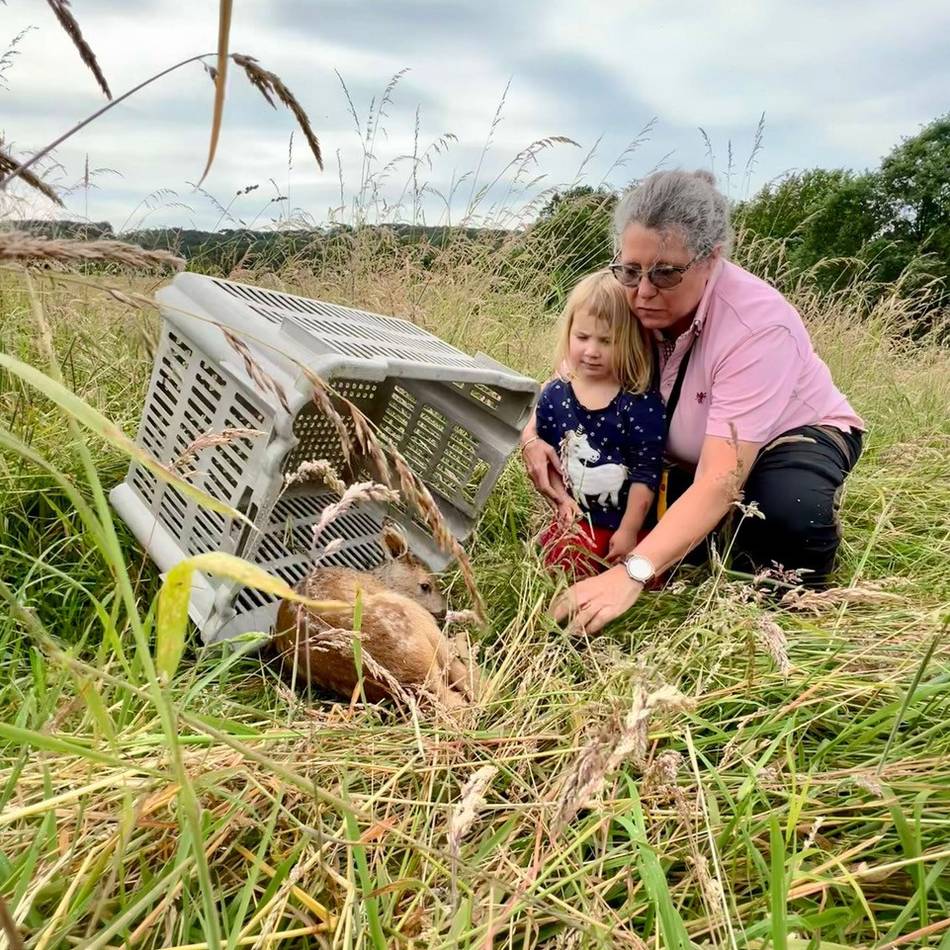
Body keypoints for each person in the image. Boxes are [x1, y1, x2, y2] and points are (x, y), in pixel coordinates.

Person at [520, 169, 865, 634]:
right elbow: (570, 378)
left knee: (787, 516)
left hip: (788, 436)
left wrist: (632, 574)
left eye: (665, 273)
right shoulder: (627, 293)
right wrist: (532, 438)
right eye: (630, 270)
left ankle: (796, 586)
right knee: (642, 513)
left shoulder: (756, 325)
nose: (643, 292)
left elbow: (721, 478)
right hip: (687, 452)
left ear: (711, 259)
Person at [529, 270, 666, 578]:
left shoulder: (640, 403)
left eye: (606, 341)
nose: (592, 351)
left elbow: (646, 474)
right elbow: (551, 458)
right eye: (582, 337)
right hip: (575, 522)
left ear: (629, 341)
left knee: (631, 582)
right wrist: (562, 502)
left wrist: (629, 530)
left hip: (626, 527)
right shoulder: (555, 395)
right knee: (554, 575)